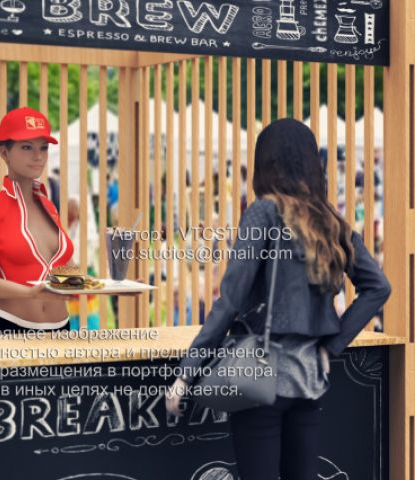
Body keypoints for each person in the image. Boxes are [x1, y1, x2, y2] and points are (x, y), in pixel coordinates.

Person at [165, 118, 391, 479]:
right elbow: (378, 286)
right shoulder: (329, 220)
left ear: (265, 162)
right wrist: (330, 347)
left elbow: (230, 301)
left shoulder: (264, 211)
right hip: (308, 379)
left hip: (261, 376)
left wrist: (186, 373)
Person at [0, 107, 77, 333]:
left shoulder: (49, 207)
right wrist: (30, 292)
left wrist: (115, 285)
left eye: (43, 147)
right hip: (9, 330)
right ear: (4, 152)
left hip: (61, 330)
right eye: (27, 147)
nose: (38, 156)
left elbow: (68, 272)